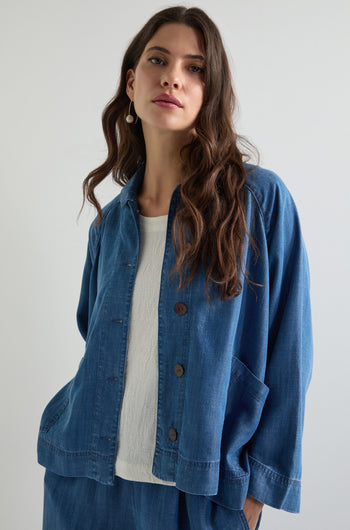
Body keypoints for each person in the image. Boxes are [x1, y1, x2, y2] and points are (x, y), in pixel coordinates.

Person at [37, 5, 313, 530]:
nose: (172, 76)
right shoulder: (110, 224)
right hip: (86, 485)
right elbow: (91, 333)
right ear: (132, 82)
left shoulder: (257, 200)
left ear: (211, 91)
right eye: (158, 60)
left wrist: (259, 490)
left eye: (195, 68)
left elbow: (290, 352)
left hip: (203, 491)